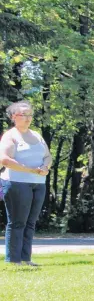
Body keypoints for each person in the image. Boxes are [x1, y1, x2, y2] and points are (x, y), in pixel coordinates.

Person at [0, 101, 52, 265]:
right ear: (14, 117)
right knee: (17, 222)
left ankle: (25, 259)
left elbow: (48, 156)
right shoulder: (10, 136)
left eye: (30, 114)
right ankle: (13, 260)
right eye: (24, 115)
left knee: (30, 222)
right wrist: (30, 169)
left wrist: (45, 167)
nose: (28, 118)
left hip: (38, 183)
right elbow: (5, 160)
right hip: (17, 183)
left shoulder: (37, 135)